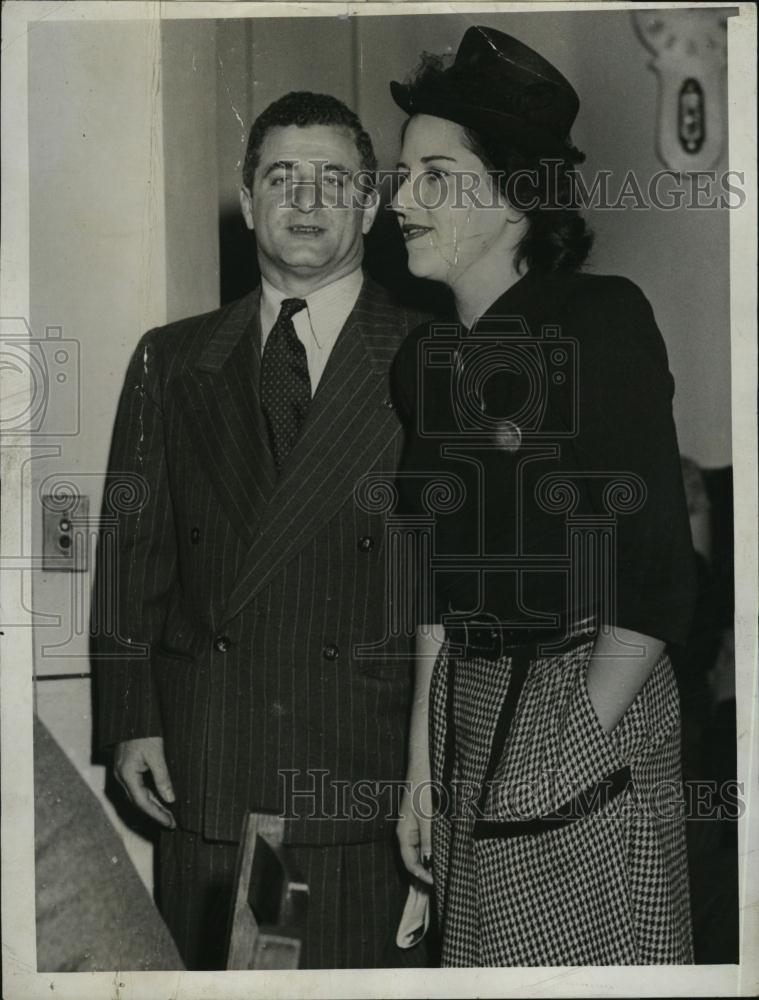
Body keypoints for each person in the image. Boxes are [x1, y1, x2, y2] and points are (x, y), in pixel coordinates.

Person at [92, 91, 425, 970]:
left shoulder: (436, 353)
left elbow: (455, 580)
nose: (306, 201)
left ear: (368, 203)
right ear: (248, 201)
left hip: (366, 766)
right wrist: (132, 719)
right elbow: (131, 553)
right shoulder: (171, 358)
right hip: (211, 763)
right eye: (282, 177)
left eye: (331, 180)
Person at [389, 27, 698, 966]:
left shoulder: (597, 321)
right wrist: (420, 770)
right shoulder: (423, 363)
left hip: (582, 693)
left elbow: (651, 579)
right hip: (466, 707)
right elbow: (439, 589)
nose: (400, 200)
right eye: (403, 176)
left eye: (434, 175)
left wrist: (566, 749)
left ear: (516, 195)